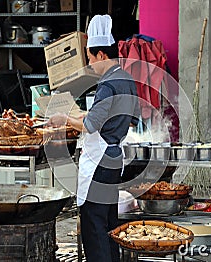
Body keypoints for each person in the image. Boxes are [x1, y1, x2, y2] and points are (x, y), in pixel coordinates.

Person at [47, 14, 140, 262]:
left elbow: (90, 125)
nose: (89, 64)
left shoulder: (108, 84)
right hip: (114, 158)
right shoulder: (127, 79)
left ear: (101, 55)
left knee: (94, 225)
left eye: (89, 58)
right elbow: (129, 118)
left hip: (99, 160)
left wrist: (64, 118)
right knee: (109, 222)